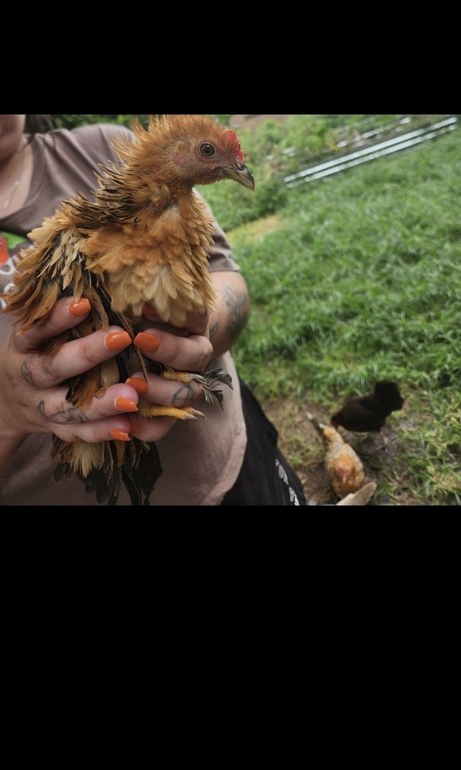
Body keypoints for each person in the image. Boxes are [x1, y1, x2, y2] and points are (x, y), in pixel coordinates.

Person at [0, 114, 306, 506]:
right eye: (208, 151)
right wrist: (8, 413)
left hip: (224, 457)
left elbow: (229, 282)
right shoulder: (76, 234)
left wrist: (196, 334)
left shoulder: (107, 148)